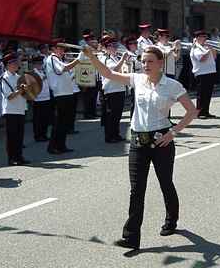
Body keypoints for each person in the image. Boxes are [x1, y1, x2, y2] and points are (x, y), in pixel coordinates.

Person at [82, 44, 198, 251]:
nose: (145, 65)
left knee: (165, 183)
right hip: (137, 141)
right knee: (136, 190)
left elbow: (191, 111)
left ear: (161, 63)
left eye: (150, 61)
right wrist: (92, 57)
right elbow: (108, 73)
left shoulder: (172, 85)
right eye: (143, 61)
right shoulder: (137, 79)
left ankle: (171, 220)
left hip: (161, 141)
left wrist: (173, 133)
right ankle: (131, 237)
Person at [45, 38, 81, 154]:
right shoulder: (52, 58)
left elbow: (67, 73)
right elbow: (62, 69)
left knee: (65, 122)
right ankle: (53, 146)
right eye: (59, 48)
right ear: (54, 48)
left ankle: (61, 145)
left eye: (62, 48)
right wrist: (79, 59)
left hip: (67, 92)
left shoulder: (60, 59)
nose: (62, 50)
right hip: (60, 94)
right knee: (59, 122)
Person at [0, 53, 30, 165]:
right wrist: (20, 91)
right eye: (14, 63)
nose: (17, 64)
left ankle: (19, 156)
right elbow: (9, 96)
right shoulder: (4, 78)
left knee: (20, 135)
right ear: (8, 65)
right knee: (11, 136)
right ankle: (11, 158)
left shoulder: (19, 77)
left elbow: (25, 94)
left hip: (21, 108)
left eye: (17, 62)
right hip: (10, 110)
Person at [100, 35, 128, 143]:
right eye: (112, 46)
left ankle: (116, 134)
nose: (115, 48)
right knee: (111, 115)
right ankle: (109, 136)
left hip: (119, 88)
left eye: (115, 45)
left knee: (118, 115)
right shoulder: (105, 58)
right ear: (107, 47)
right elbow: (114, 70)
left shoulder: (115, 57)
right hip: (111, 90)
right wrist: (123, 59)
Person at [190, 30, 218, 119]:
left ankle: (205, 111)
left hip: (210, 71)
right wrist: (208, 50)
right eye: (203, 37)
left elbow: (214, 57)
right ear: (197, 38)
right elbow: (202, 59)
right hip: (201, 73)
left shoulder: (205, 47)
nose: (205, 39)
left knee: (208, 93)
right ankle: (198, 112)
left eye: (205, 37)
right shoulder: (196, 48)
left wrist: (212, 49)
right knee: (201, 94)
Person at [30, 55, 52, 142]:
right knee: (38, 118)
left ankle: (44, 134)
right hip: (38, 99)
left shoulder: (43, 72)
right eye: (38, 64)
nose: (40, 65)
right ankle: (38, 135)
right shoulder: (32, 73)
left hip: (46, 97)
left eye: (41, 63)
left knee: (45, 118)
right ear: (34, 64)